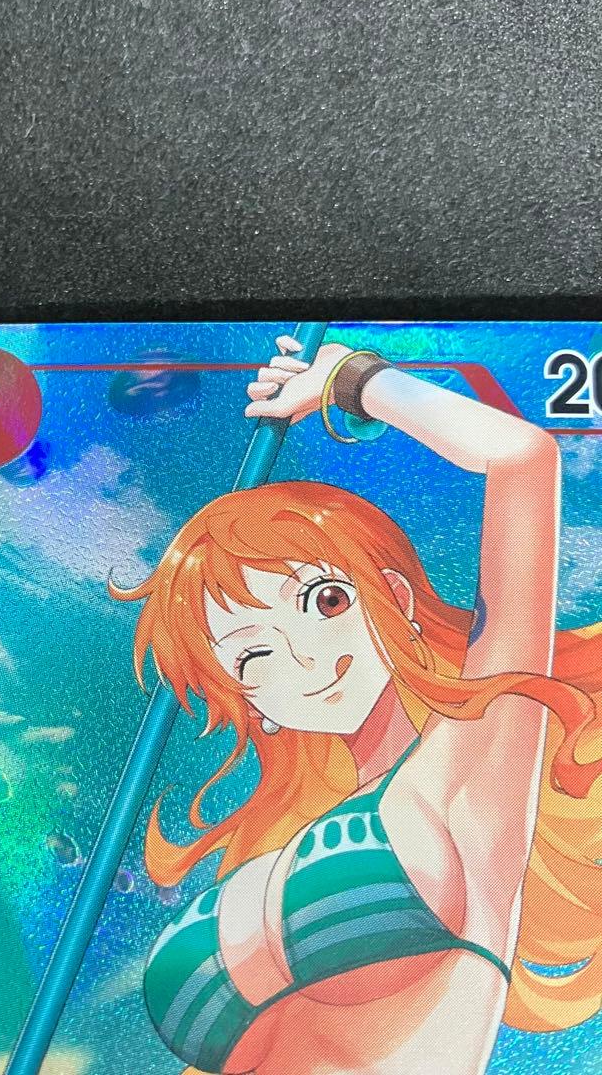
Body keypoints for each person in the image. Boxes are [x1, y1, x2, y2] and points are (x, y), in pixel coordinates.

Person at [110, 338, 602, 1075]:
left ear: (394, 600)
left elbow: (522, 460)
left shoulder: (473, 763)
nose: (306, 656)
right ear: (251, 703)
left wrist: (350, 379)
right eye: (252, 658)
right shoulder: (283, 839)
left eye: (326, 602)